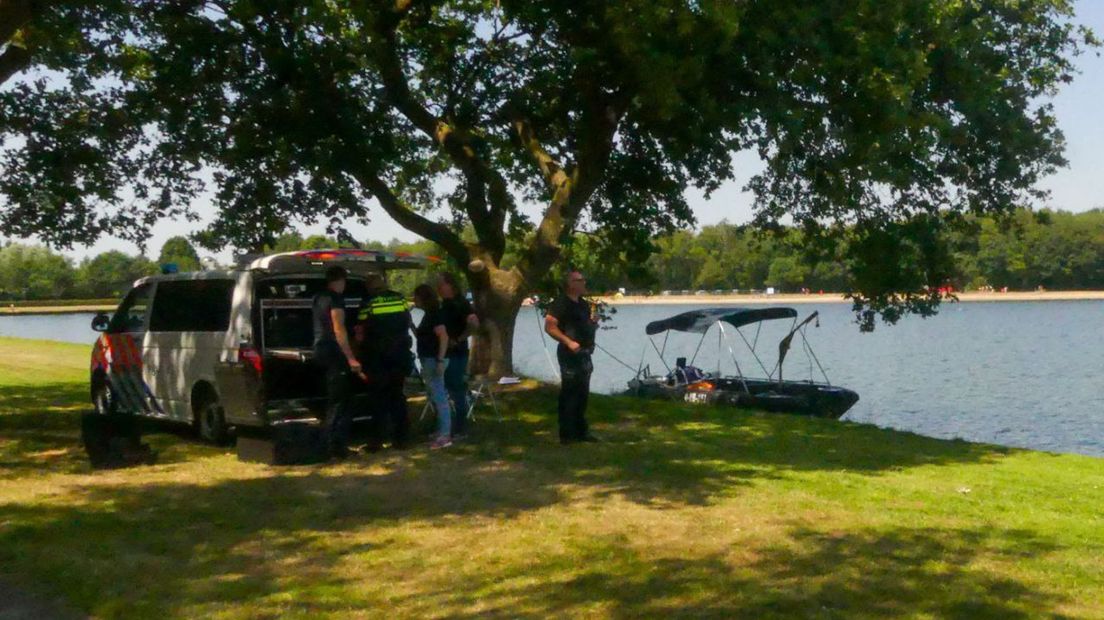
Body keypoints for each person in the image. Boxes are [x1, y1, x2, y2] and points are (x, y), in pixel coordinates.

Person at [355, 272, 414, 450]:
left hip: (378, 358)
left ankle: (376, 442)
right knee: (398, 397)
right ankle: (402, 439)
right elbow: (408, 320)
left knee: (378, 400)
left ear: (369, 287)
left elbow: (360, 329)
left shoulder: (369, 303)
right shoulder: (400, 298)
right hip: (400, 356)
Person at [312, 266, 362, 458]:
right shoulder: (335, 299)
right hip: (334, 352)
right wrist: (351, 358)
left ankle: (332, 444)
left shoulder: (318, 297)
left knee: (333, 399)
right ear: (340, 280)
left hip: (321, 350)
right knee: (341, 402)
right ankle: (336, 447)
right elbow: (339, 329)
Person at [544, 270, 599, 444]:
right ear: (571, 284)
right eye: (580, 280)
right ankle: (566, 434)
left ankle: (581, 431)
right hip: (569, 353)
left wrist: (593, 324)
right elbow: (550, 327)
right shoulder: (561, 303)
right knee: (570, 392)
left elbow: (585, 326)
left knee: (582, 393)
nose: (584, 283)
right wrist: (568, 342)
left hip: (584, 353)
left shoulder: (583, 304)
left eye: (584, 279)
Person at [437, 272, 479, 438]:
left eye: (441, 284)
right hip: (443, 353)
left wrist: (460, 338)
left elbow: (474, 323)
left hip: (456, 353)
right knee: (446, 390)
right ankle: (447, 424)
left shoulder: (461, 303)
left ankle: (460, 427)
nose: (438, 288)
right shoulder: (444, 304)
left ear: (450, 285)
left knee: (456, 390)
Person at [412, 284, 452, 449]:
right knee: (434, 394)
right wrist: (411, 325)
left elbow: (443, 337)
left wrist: (440, 360)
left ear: (423, 298)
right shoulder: (428, 314)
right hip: (427, 358)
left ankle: (445, 435)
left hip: (434, 359)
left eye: (416, 297)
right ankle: (440, 430)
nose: (414, 300)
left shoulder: (435, 314)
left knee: (439, 395)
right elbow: (422, 336)